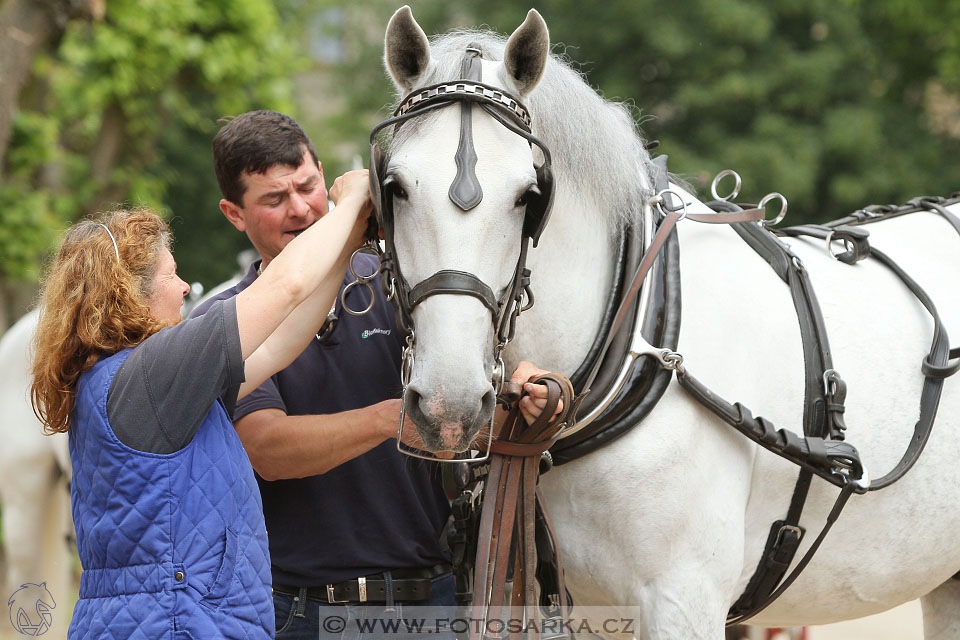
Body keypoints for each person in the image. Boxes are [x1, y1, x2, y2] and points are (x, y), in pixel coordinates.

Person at [193, 109, 558, 638]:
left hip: (431, 602)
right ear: (233, 213)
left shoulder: (400, 288)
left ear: (325, 176)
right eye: (274, 199)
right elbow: (266, 449)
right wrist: (395, 418)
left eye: (308, 186)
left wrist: (524, 403)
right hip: (303, 612)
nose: (300, 209)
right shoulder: (226, 321)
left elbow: (461, 431)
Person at [29, 170, 370, 640]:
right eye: (171, 274)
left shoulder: (124, 377)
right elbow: (285, 286)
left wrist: (350, 242)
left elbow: (280, 345)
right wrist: (348, 204)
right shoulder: (155, 372)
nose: (186, 286)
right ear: (131, 294)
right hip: (181, 623)